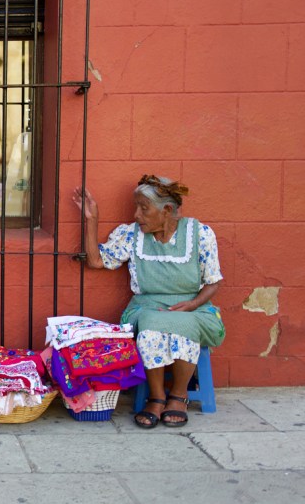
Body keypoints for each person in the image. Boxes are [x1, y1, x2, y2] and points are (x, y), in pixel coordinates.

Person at [72, 175, 225, 429]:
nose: (137, 215)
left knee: (185, 326)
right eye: (137, 207)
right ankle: (156, 396)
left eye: (144, 208)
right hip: (146, 306)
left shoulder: (200, 234)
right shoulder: (132, 235)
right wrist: (91, 219)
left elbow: (213, 282)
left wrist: (193, 304)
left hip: (192, 307)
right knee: (151, 324)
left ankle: (178, 396)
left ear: (167, 210)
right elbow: (97, 261)